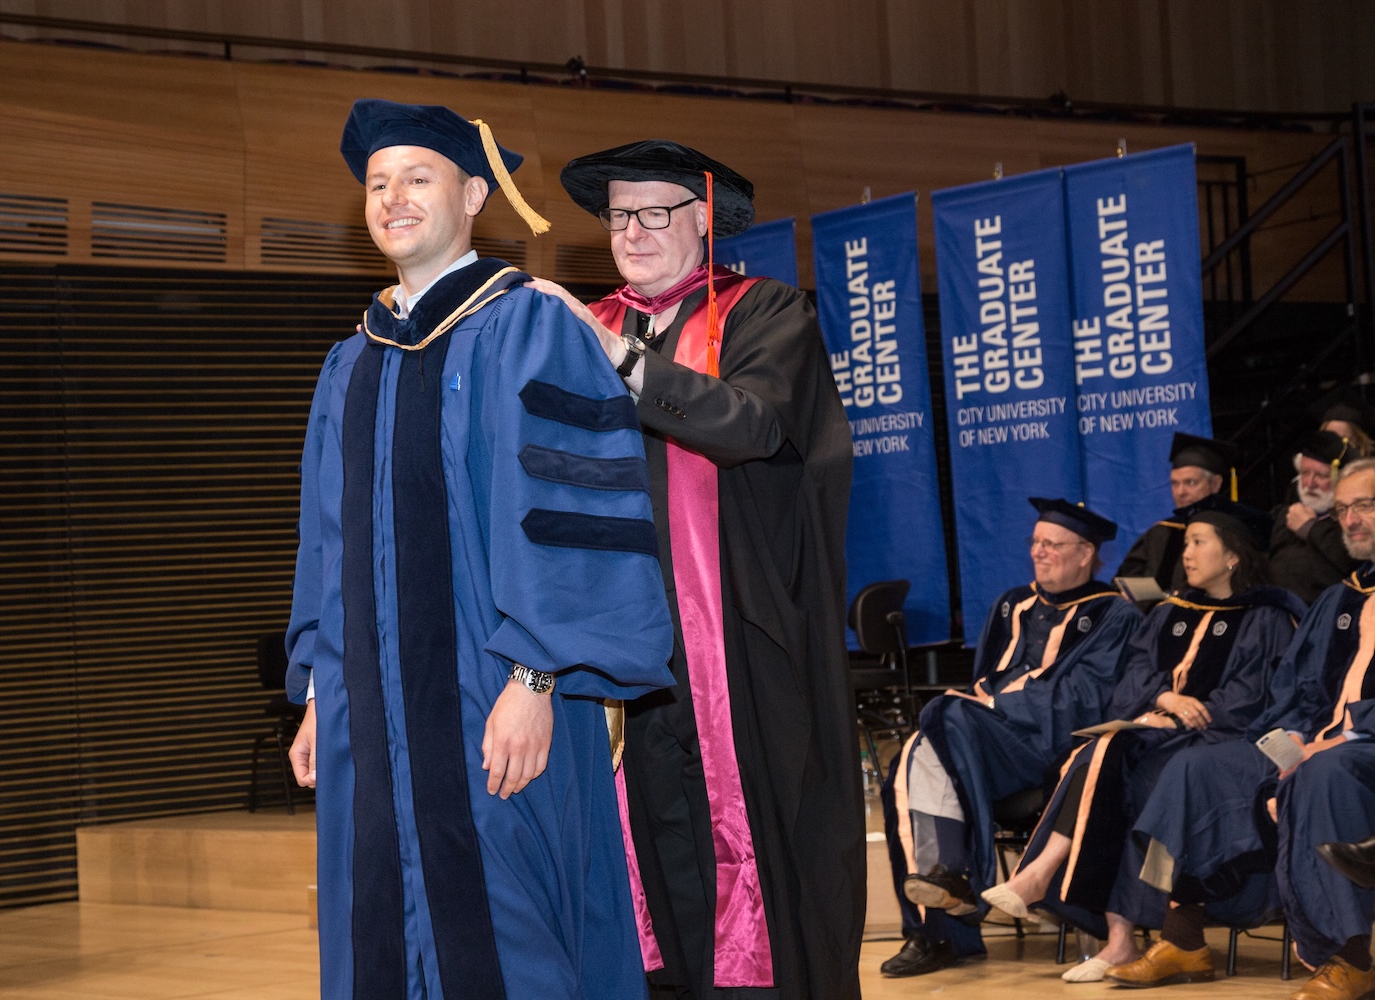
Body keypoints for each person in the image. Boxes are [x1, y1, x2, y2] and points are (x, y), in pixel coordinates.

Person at [282, 100, 677, 1000]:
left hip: (496, 698)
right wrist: (318, 690)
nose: (394, 198)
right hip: (369, 713)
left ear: (472, 196)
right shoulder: (351, 363)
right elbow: (326, 542)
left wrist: (537, 678)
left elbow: (575, 517)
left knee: (514, 936)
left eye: (418, 178)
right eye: (379, 184)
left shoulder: (528, 329)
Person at [528, 139, 862, 999]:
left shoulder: (763, 311)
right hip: (612, 651)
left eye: (653, 213)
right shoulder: (583, 322)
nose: (632, 233)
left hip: (735, 641)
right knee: (643, 851)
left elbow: (749, 426)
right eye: (618, 217)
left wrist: (616, 358)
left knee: (756, 854)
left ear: (704, 218)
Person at [981, 496, 1302, 982]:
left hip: (1218, 744)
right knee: (1102, 754)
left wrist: (1182, 719)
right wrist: (1165, 700)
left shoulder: (1267, 617)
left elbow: (1252, 695)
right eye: (1186, 543)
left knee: (1116, 767)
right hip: (1158, 735)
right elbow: (1133, 676)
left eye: (1198, 542)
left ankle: (1058, 887)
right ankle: (1102, 926)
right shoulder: (1170, 612)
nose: (1186, 554)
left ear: (1233, 555)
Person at [1110, 457, 1375, 999]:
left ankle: (1351, 957)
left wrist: (1339, 737)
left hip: (1360, 749)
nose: (1351, 520)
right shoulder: (1338, 599)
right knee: (1194, 767)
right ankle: (1183, 937)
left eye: (1365, 506)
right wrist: (1291, 736)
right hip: (1313, 744)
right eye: (1343, 509)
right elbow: (1294, 689)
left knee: (1325, 771)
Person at [879, 498, 1143, 977]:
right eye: (1035, 542)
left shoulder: (1114, 615)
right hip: (984, 742)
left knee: (939, 718)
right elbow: (984, 675)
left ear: (1085, 553)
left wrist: (995, 706)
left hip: (1048, 749)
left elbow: (1086, 700)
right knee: (912, 757)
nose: (1038, 552)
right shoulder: (1011, 603)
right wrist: (979, 707)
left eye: (1052, 544)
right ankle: (945, 905)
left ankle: (947, 914)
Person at [1116, 433, 1240, 594]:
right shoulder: (1163, 531)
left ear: (1215, 484)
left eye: (1190, 482)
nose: (1180, 492)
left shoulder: (1236, 530)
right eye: (1175, 484)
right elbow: (1127, 580)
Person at [1271, 430, 1356, 605]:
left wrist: (1310, 528)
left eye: (1321, 475)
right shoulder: (1287, 512)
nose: (1309, 484)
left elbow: (1350, 559)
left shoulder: (1354, 517)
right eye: (1304, 473)